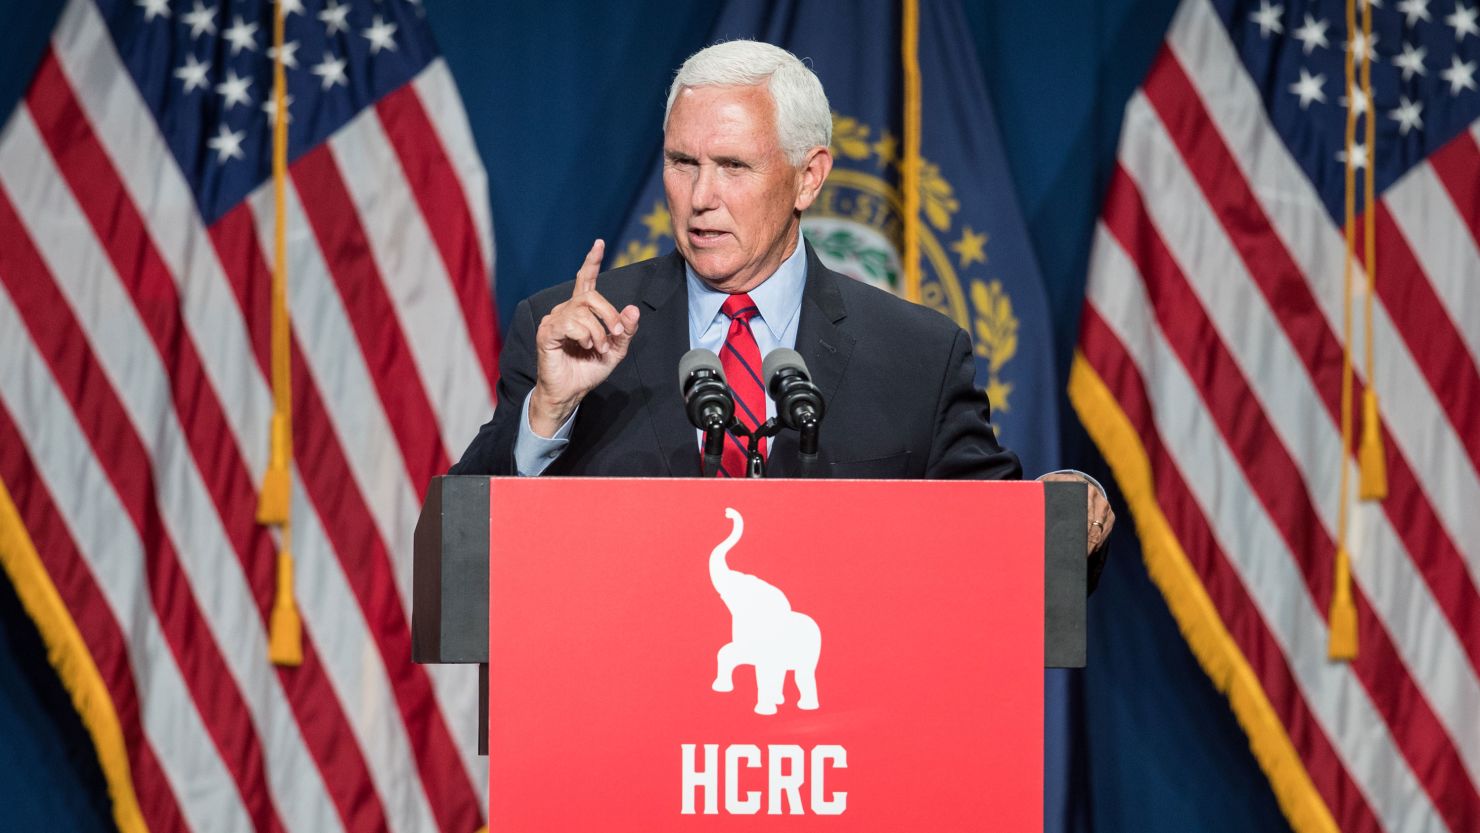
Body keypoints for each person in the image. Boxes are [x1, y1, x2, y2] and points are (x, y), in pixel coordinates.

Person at [450, 40, 1114, 556]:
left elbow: (1003, 543)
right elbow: (463, 540)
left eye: (733, 166)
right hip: (623, 712)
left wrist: (1063, 515)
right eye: (683, 163)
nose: (701, 196)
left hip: (830, 722)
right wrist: (550, 410)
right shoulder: (568, 330)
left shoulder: (919, 357)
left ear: (808, 177)